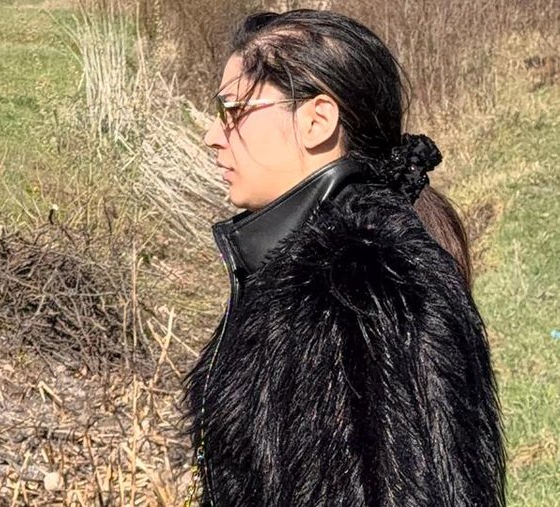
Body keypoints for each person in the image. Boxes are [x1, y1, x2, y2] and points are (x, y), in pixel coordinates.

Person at [184, 9, 505, 507]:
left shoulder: (353, 284)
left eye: (232, 109)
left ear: (317, 121)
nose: (212, 134)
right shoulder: (325, 263)